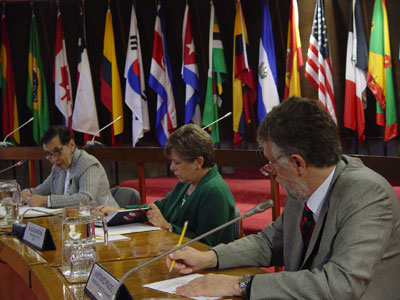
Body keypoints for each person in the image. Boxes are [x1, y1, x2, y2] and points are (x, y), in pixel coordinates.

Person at [167, 97, 400, 300]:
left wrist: (237, 284)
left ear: (297, 163)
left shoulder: (367, 195)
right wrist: (208, 258)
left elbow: (340, 286)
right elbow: (269, 243)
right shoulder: (303, 187)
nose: (271, 171)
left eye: (272, 163)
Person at [100, 124, 237, 247]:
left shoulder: (214, 191)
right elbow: (161, 207)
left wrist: (168, 227)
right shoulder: (188, 181)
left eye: (177, 163)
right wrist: (118, 213)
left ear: (198, 162)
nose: (172, 168)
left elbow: (207, 244)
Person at [21, 126, 119, 208]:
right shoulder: (58, 167)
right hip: (73, 222)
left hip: (105, 222)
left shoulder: (88, 163)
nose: (54, 159)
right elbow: (43, 190)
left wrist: (47, 201)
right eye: (48, 154)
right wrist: (27, 193)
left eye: (57, 151)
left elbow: (85, 199)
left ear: (71, 145)